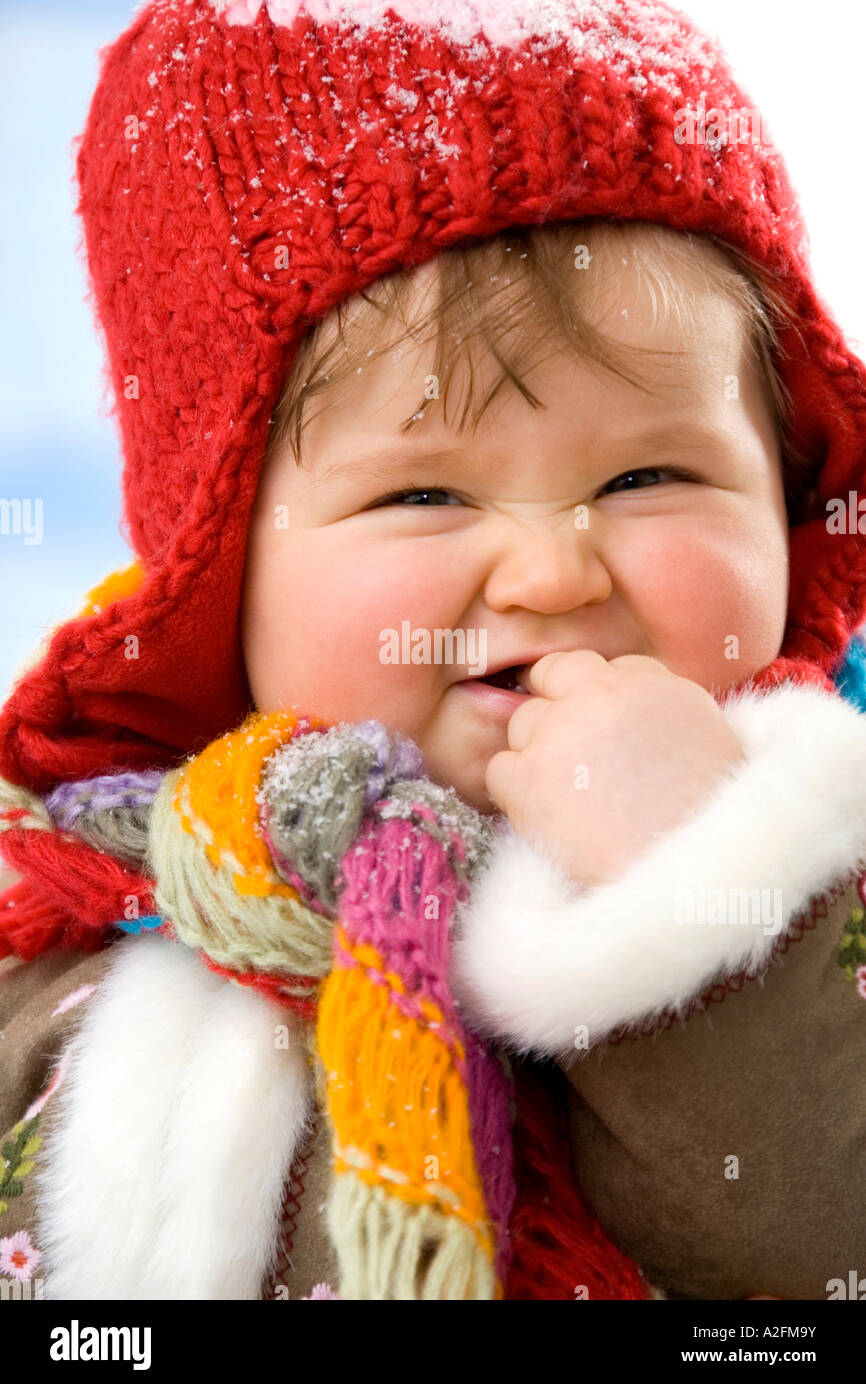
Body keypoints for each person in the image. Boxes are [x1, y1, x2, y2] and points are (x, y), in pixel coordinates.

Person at [1, 0, 865, 1301]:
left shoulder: (830, 859)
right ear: (218, 569)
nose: (552, 571)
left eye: (648, 472)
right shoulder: (68, 905)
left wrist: (699, 885)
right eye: (422, 496)